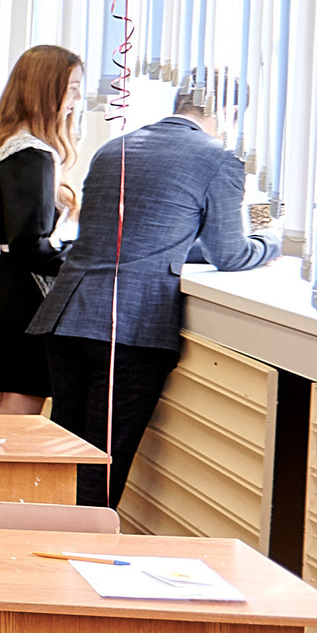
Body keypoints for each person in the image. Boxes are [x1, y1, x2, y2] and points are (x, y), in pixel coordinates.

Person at [28, 78, 281, 505]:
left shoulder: (115, 149)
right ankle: (83, 556)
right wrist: (272, 239)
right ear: (228, 113)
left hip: (67, 317)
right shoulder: (219, 159)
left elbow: (134, 237)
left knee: (64, 456)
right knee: (103, 468)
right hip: (128, 330)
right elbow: (231, 253)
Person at [0, 46, 82, 413]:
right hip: (24, 296)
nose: (78, 99)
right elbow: (30, 243)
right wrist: (78, 264)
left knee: (5, 410)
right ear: (46, 89)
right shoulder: (32, 153)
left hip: (9, 288)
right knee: (17, 418)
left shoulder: (11, 145)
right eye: (72, 88)